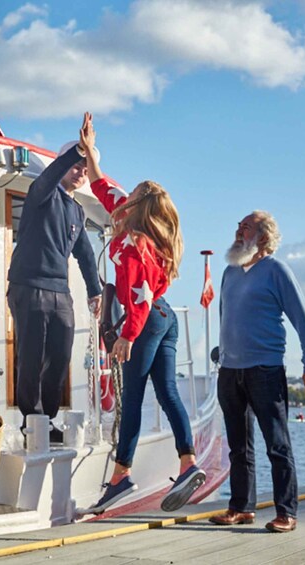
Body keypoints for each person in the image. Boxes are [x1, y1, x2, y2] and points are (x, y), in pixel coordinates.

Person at [79, 113, 206, 514]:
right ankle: (188, 464)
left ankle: (121, 477)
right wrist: (89, 150)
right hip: (164, 320)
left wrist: (127, 336)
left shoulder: (134, 243)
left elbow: (139, 299)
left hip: (147, 321)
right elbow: (102, 187)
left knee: (131, 398)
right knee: (167, 393)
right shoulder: (136, 226)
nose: (125, 193)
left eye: (131, 192)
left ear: (137, 204)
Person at [210, 211, 305, 533]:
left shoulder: (276, 271)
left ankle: (286, 512)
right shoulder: (230, 272)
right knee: (238, 446)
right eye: (238, 226)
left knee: (277, 445)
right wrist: (222, 350)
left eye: (245, 227)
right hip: (230, 370)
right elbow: (226, 316)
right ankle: (241, 508)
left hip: (264, 370)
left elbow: (302, 317)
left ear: (262, 236)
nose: (238, 231)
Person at [7, 117, 103, 441]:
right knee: (31, 356)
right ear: (62, 165)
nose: (80, 173)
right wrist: (78, 149)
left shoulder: (77, 212)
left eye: (84, 170)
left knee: (60, 356)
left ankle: (46, 418)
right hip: (29, 286)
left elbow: (86, 255)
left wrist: (95, 290)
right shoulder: (42, 194)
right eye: (76, 166)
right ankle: (31, 421)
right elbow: (47, 177)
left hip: (60, 292)